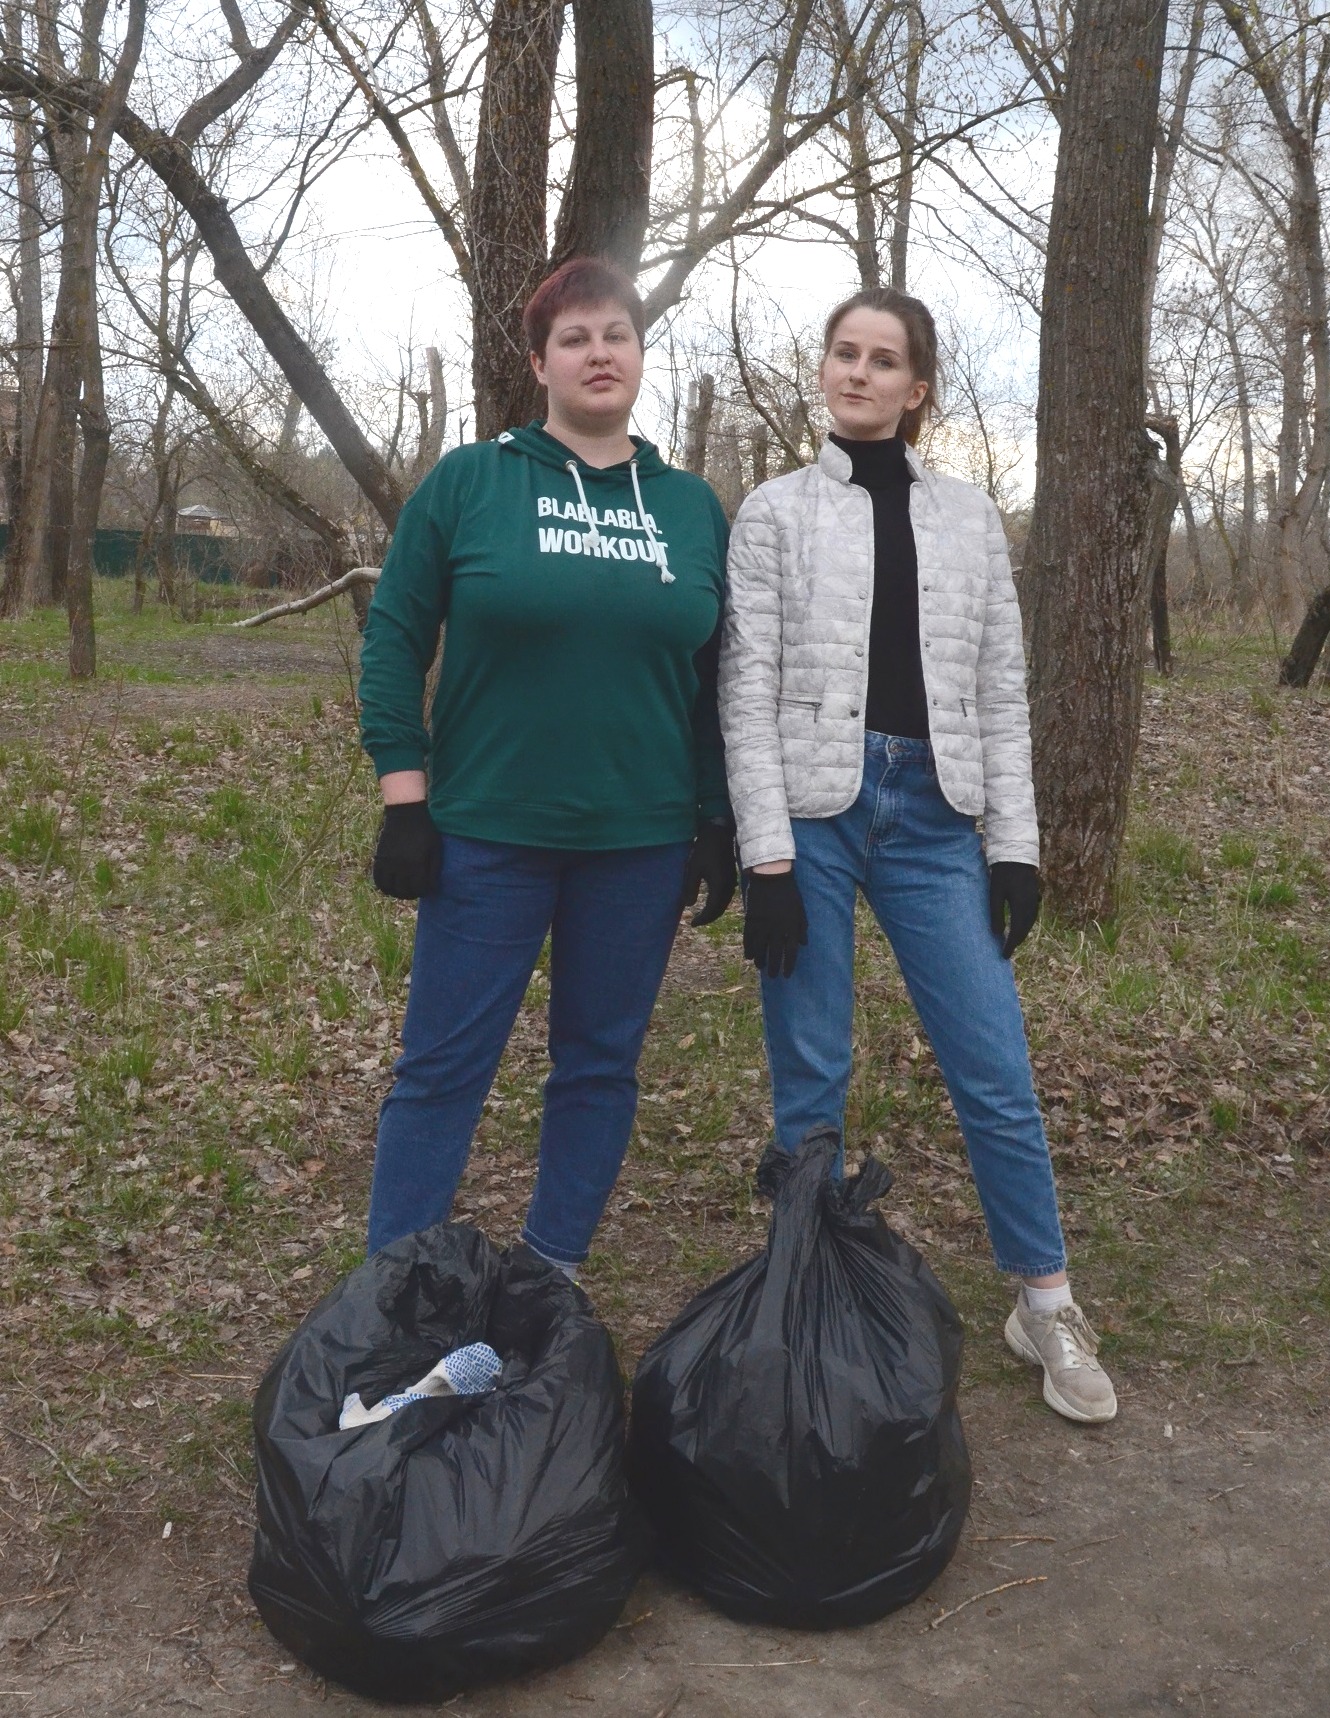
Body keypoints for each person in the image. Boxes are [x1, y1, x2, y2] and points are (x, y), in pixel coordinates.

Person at [717, 287, 1116, 1423]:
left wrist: (1015, 849)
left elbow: (998, 688)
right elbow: (742, 694)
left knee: (992, 1065)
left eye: (880, 359)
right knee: (811, 1075)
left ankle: (1043, 1301)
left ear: (917, 385)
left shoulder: (968, 518)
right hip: (813, 815)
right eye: (840, 352)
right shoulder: (774, 513)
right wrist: (766, 858)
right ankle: (811, 1297)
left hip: (936, 818)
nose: (854, 373)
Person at [357, 256, 735, 1276]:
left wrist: (714, 815)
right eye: (573, 338)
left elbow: (712, 675)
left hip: (639, 843)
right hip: (486, 833)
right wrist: (405, 795)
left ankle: (550, 1272)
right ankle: (394, 1285)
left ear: (640, 355)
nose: (597, 352)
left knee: (598, 1067)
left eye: (615, 333)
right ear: (539, 363)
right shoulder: (472, 483)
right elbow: (394, 636)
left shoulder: (691, 507)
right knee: (441, 1068)